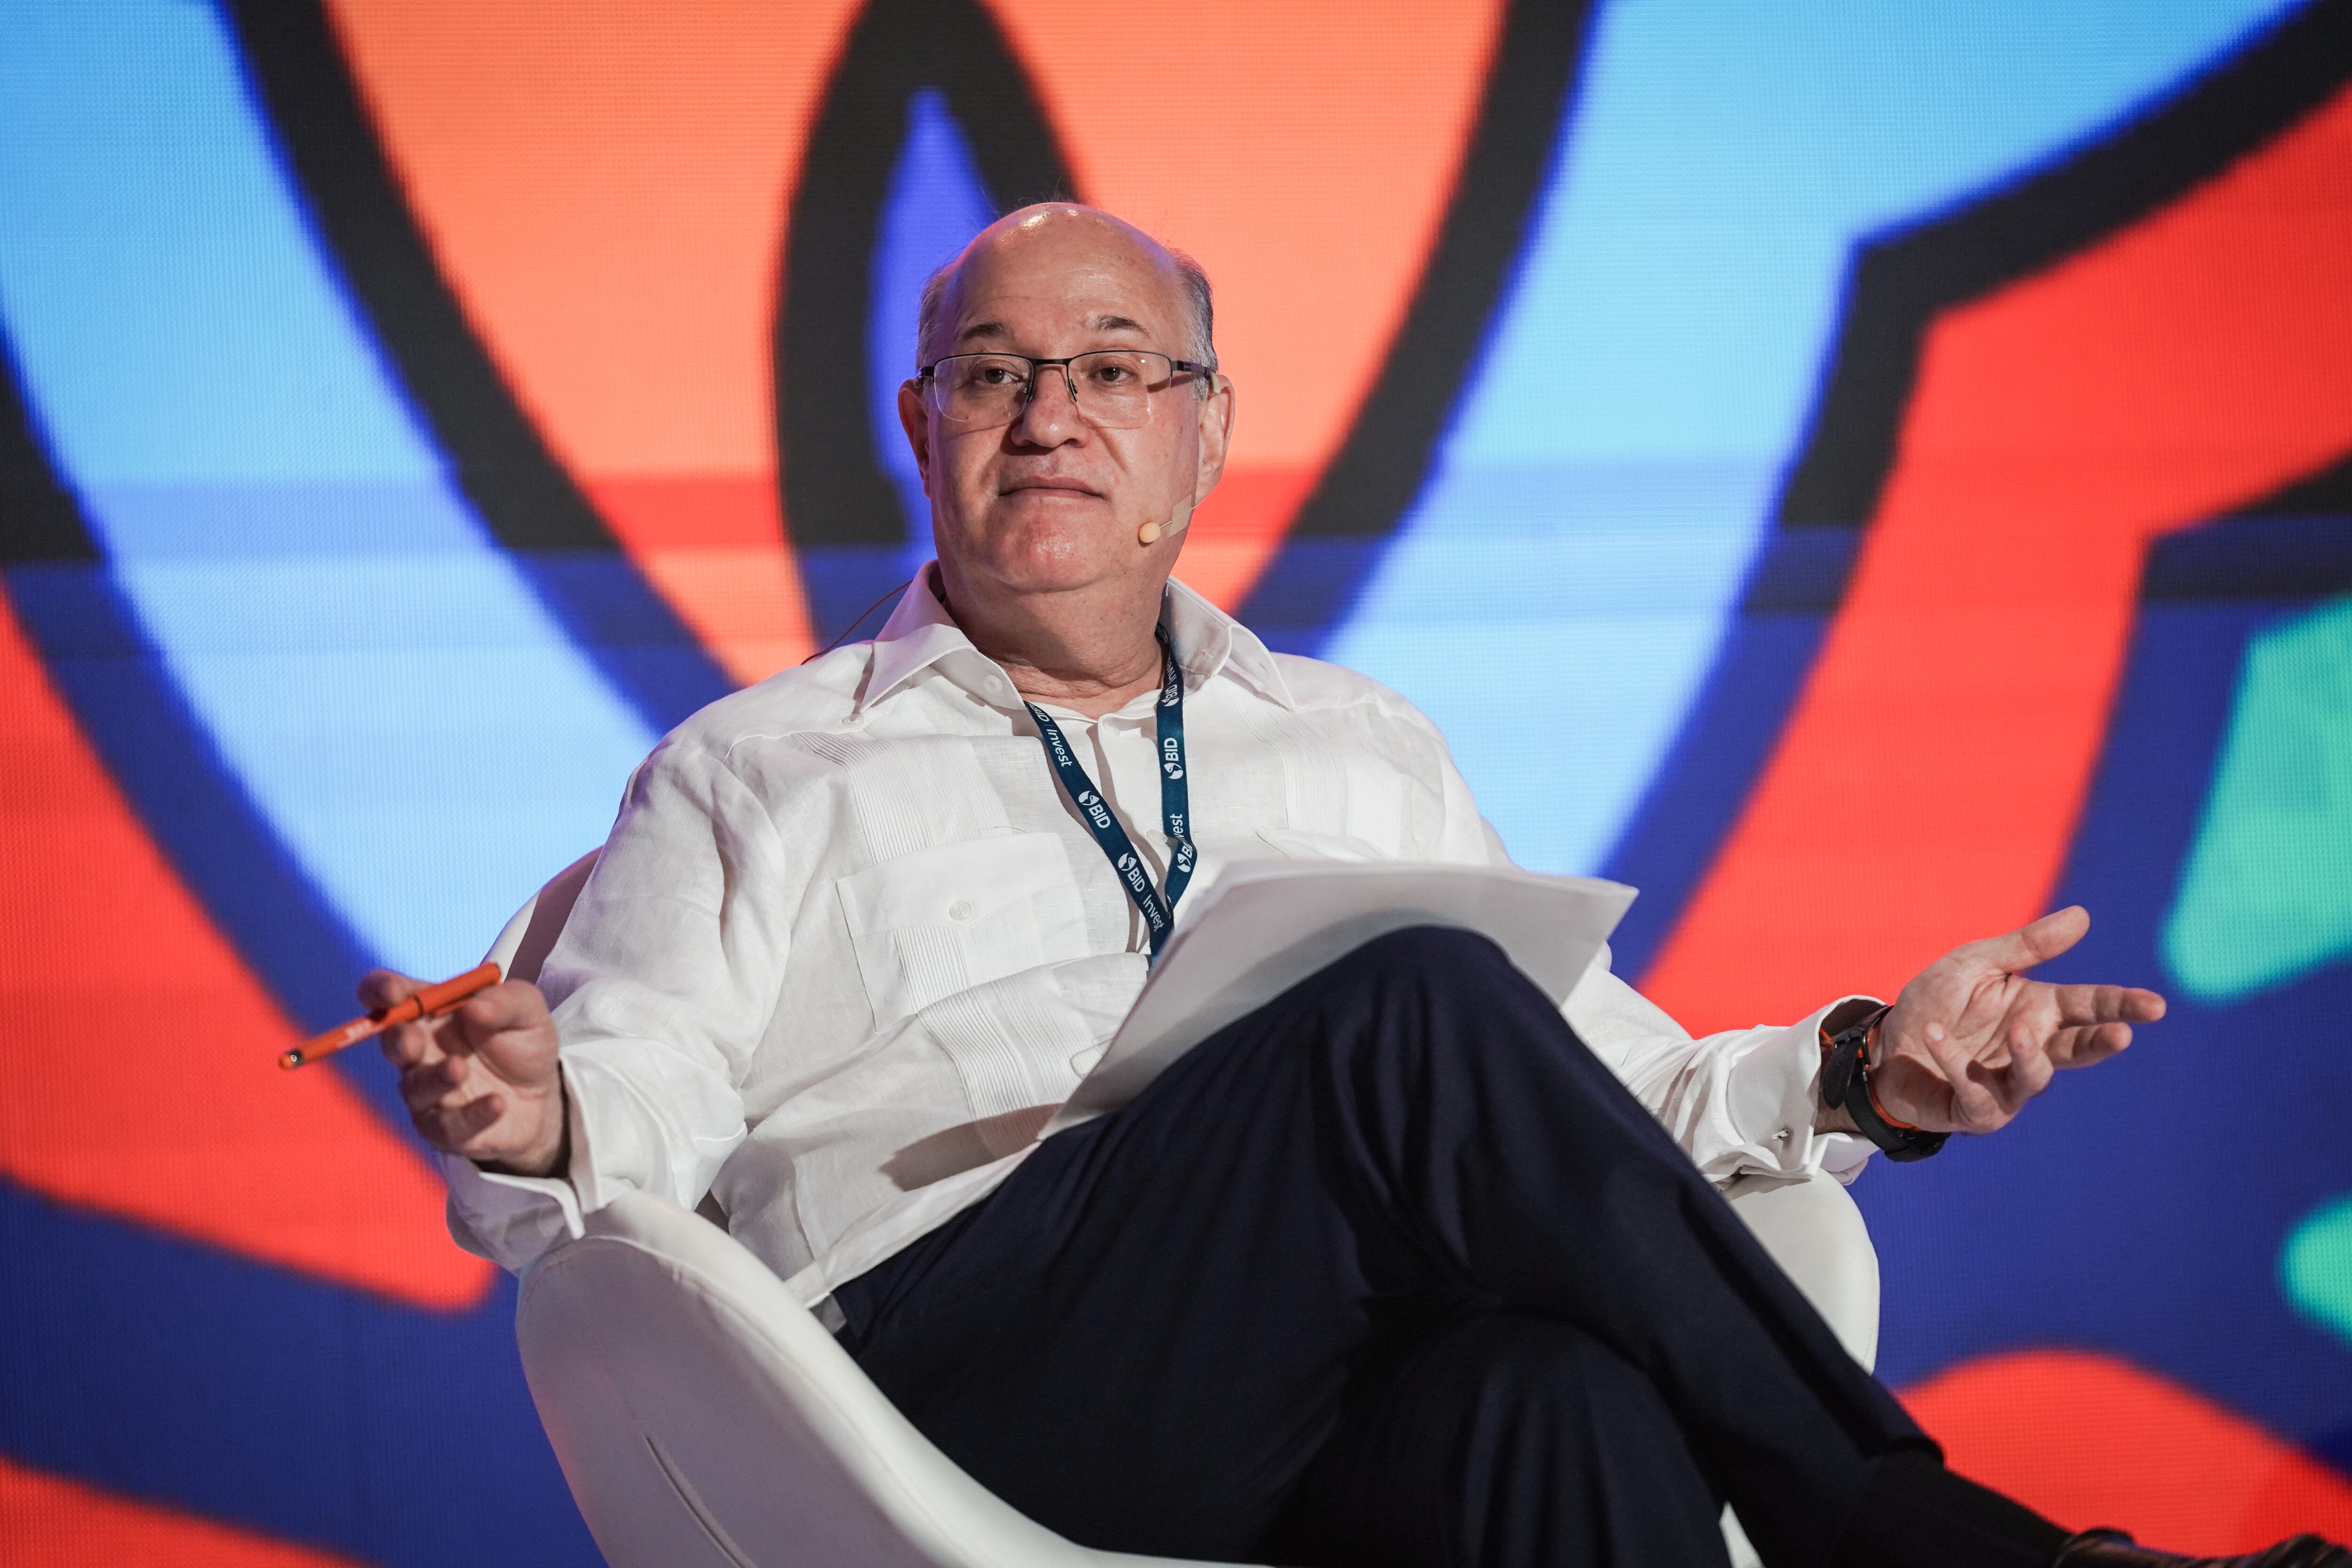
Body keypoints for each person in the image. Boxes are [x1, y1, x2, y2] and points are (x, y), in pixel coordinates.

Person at [367, 205, 2345, 1568]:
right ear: (921, 430)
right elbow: (631, 1098)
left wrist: (1854, 1080)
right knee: (1399, 996)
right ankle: (1925, 1545)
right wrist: (536, 1106)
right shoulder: (754, 767)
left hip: (1300, 1387)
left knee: (1559, 1394)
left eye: (1111, 367)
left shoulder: (1353, 741)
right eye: (989, 374)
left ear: (1202, 436)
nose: (1047, 412)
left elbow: (1587, 1107)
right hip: (940, 1394)